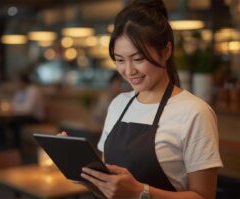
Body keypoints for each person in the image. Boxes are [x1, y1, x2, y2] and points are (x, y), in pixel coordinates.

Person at [61, 0, 223, 198]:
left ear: (166, 51)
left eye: (138, 59)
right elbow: (109, 190)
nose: (129, 71)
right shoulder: (118, 104)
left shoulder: (194, 112)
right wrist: (85, 175)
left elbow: (204, 196)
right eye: (120, 60)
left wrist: (140, 192)